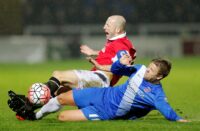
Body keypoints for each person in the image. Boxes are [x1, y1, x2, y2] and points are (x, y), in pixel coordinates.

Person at [30, 55, 188, 122]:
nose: (147, 70)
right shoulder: (139, 69)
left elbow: (165, 109)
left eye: (151, 71)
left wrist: (179, 119)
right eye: (149, 67)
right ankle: (36, 116)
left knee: (62, 117)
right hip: (102, 93)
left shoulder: (156, 94)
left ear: (159, 77)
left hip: (105, 112)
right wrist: (121, 63)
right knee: (61, 98)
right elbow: (117, 70)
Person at [44, 15, 136, 97]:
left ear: (117, 30)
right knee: (60, 94)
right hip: (98, 78)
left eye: (108, 25)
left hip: (101, 79)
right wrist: (93, 52)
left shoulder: (120, 44)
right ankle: (33, 109)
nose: (104, 27)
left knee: (58, 75)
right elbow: (111, 55)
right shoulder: (117, 40)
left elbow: (124, 65)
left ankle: (37, 95)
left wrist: (100, 66)